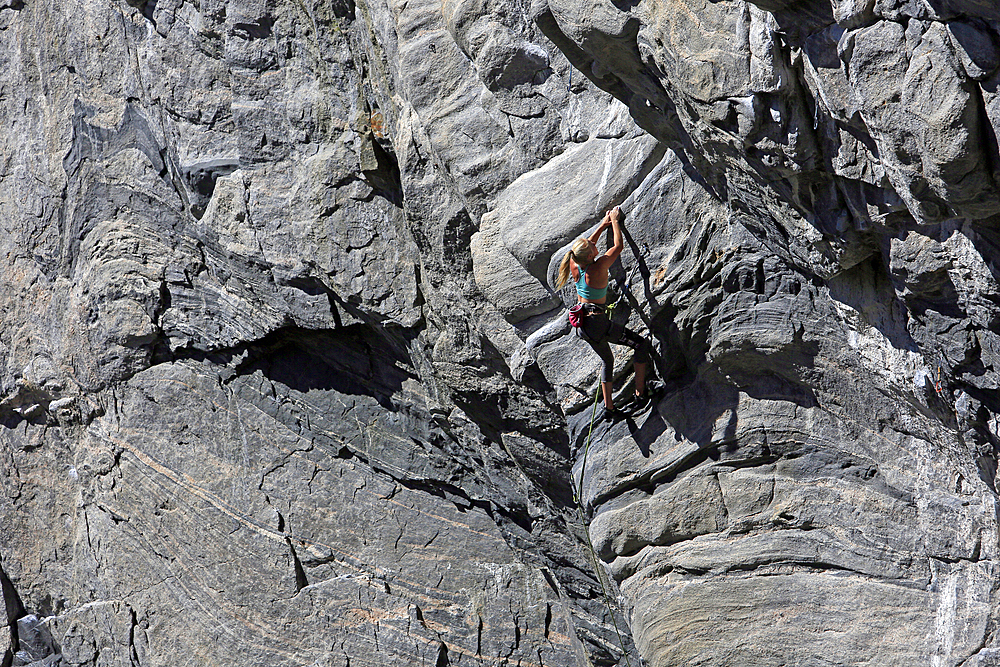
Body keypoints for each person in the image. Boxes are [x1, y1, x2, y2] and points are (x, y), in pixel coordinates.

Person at [556, 206, 653, 420]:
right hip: (597, 323)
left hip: (582, 324)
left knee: (607, 362)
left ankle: (609, 409)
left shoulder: (575, 262)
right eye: (592, 245)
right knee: (641, 344)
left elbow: (586, 246)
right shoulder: (598, 266)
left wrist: (602, 225)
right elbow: (618, 246)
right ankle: (640, 394)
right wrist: (616, 221)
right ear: (591, 255)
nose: (594, 242)